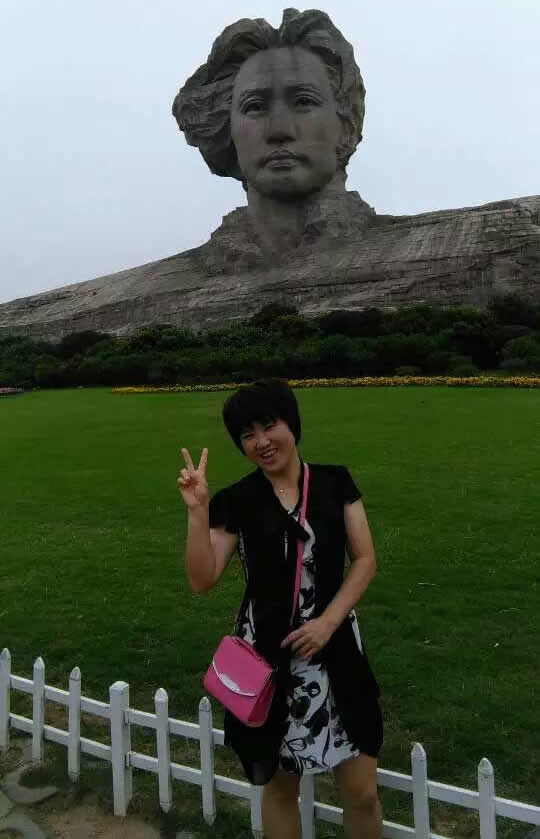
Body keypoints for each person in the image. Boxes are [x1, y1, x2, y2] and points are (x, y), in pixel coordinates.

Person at [177, 379, 382, 839]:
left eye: (270, 426)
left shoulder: (334, 482)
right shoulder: (238, 500)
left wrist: (328, 622)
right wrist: (197, 511)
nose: (262, 441)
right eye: (248, 434)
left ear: (292, 424)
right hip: (267, 660)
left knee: (362, 792)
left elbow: (365, 559)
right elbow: (201, 579)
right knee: (279, 789)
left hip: (335, 651)